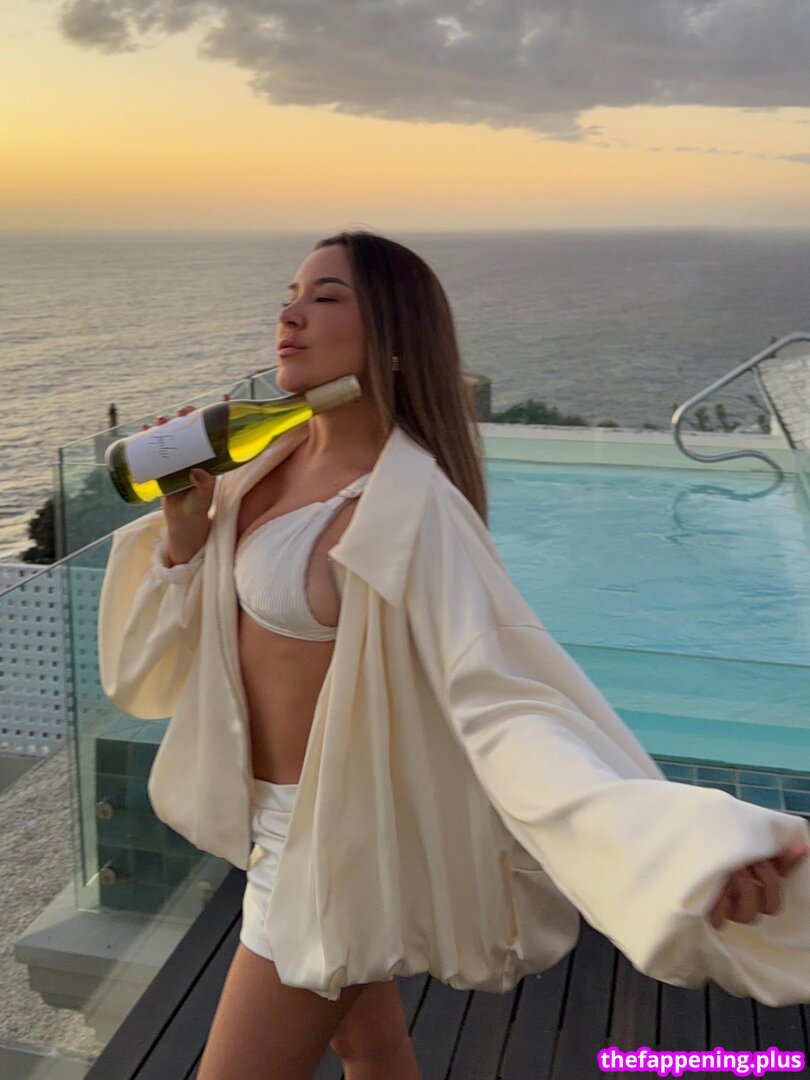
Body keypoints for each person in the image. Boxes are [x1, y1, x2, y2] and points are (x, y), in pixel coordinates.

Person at [98, 231, 810, 1080]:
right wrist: (186, 530)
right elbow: (192, 643)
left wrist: (687, 838)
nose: (290, 315)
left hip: (326, 854)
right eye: (289, 296)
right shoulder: (264, 460)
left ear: (394, 336)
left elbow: (501, 698)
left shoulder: (411, 507)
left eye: (325, 297)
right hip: (266, 819)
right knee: (373, 1048)